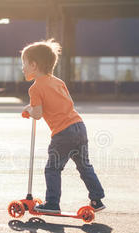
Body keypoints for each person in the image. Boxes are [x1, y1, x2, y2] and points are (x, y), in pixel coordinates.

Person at [20, 39, 105, 214]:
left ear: (34, 65)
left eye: (24, 64)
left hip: (63, 133)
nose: (23, 68)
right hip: (79, 126)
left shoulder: (35, 88)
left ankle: (52, 203)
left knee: (53, 168)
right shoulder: (58, 82)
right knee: (84, 165)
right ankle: (96, 199)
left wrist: (28, 110)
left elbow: (38, 114)